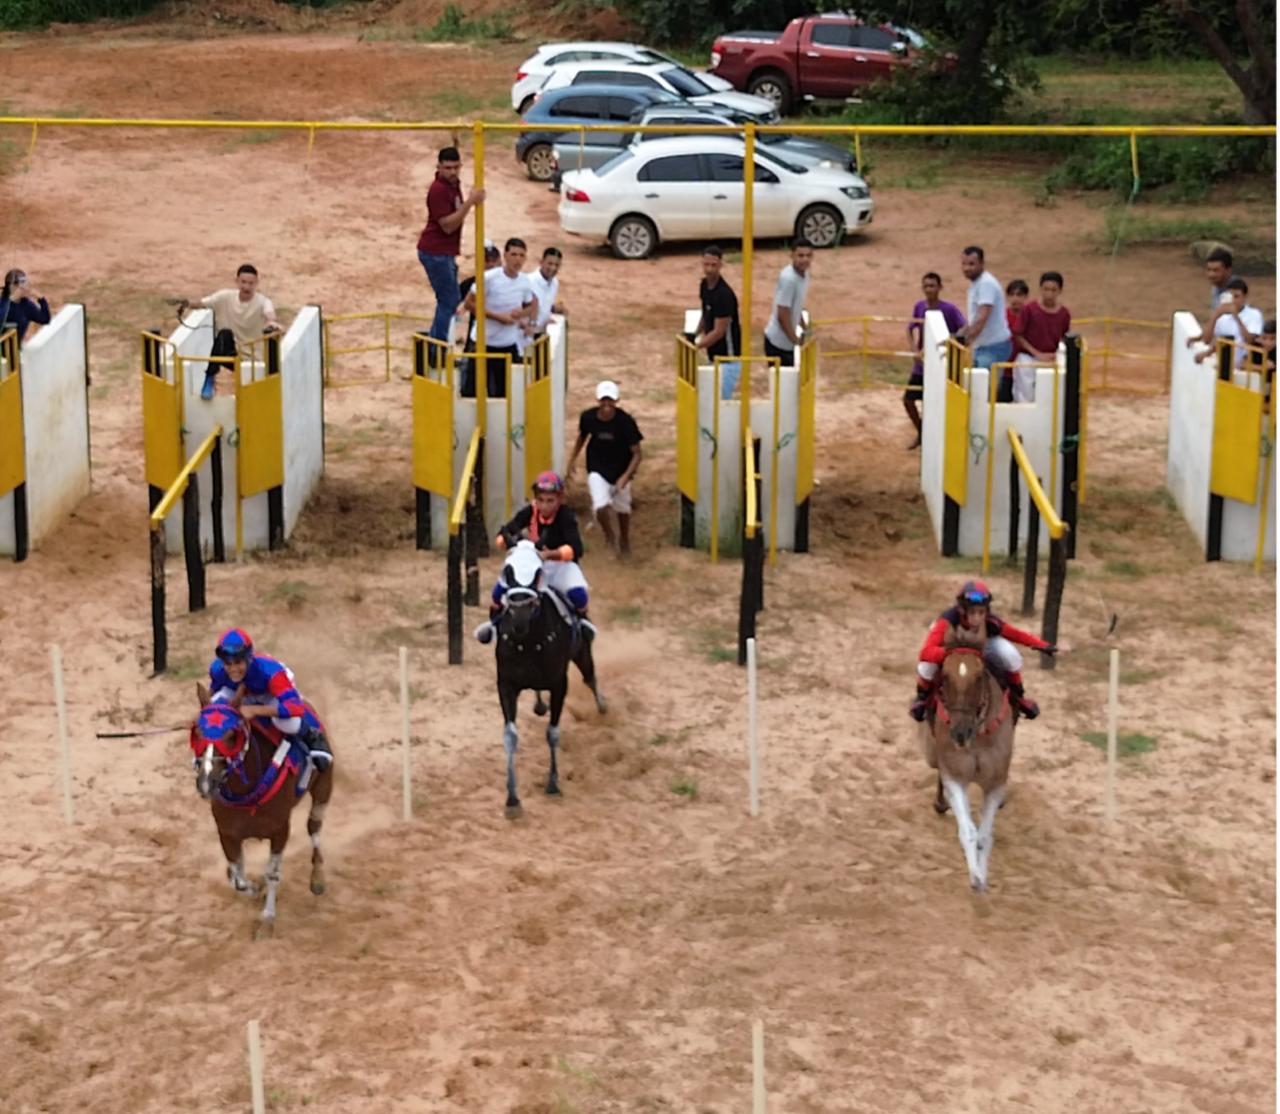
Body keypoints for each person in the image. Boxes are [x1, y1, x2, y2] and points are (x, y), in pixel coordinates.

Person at [909, 580, 1064, 723]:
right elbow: (925, 652)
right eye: (972, 613)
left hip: (982, 647)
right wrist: (947, 654)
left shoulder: (991, 622)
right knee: (926, 666)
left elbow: (1015, 634)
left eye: (981, 612)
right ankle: (922, 698)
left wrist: (1042, 645)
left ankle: (1019, 697)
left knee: (1011, 656)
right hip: (951, 648)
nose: (977, 618)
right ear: (962, 611)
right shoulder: (946, 621)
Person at [474, 471, 595, 644]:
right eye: (541, 500)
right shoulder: (529, 511)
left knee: (578, 594)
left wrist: (549, 554)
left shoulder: (566, 516)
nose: (545, 506)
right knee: (499, 592)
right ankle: (494, 625)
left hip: (560, 566)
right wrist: (506, 542)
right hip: (532, 565)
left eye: (550, 501)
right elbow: (507, 531)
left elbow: (576, 549)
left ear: (560, 499)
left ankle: (582, 622)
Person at [207, 628, 333, 771]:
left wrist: (255, 710)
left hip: (270, 693)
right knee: (216, 705)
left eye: (238, 662)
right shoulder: (217, 669)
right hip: (244, 691)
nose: (233, 668)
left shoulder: (271, 672)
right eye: (228, 664)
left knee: (287, 724)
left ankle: (311, 735)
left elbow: (295, 708)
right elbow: (214, 690)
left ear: (248, 659)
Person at [418, 146, 486, 361]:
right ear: (439, 168)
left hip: (445, 252)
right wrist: (470, 203)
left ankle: (436, 343)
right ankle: (435, 348)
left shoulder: (452, 183)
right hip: (435, 251)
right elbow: (447, 225)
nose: (453, 172)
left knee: (449, 298)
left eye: (456, 167)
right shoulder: (437, 190)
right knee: (449, 300)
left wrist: (456, 141)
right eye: (448, 168)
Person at [178, 264, 281, 401]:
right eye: (243, 282)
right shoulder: (225, 297)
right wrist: (186, 304)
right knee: (224, 334)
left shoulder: (263, 302)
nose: (246, 287)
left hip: (253, 358)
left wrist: (272, 322)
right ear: (237, 281)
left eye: (250, 283)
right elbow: (202, 304)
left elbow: (269, 313)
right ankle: (209, 379)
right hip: (233, 355)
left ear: (256, 283)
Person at [566, 380, 644, 557]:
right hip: (597, 468)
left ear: (616, 401)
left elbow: (637, 453)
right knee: (600, 506)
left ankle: (624, 539)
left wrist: (625, 476)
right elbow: (582, 437)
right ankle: (609, 536)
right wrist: (572, 460)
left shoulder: (626, 422)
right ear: (598, 400)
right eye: (604, 401)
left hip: (621, 468)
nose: (607, 405)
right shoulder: (588, 417)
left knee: (623, 509)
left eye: (611, 401)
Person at [463, 237, 537, 399]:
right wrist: (498, 317)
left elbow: (531, 305)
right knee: (471, 391)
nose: (517, 260)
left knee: (504, 394)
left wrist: (522, 314)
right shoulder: (489, 278)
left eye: (521, 256)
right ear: (505, 256)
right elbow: (469, 303)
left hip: (507, 344)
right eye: (514, 254)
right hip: (483, 342)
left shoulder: (525, 281)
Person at [905, 272, 966, 449]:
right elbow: (910, 328)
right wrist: (915, 350)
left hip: (940, 364)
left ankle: (933, 437)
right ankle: (921, 431)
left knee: (933, 403)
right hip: (921, 365)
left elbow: (963, 329)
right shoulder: (919, 307)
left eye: (932, 286)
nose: (929, 290)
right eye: (926, 286)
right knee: (908, 400)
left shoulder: (949, 309)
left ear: (940, 288)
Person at [955, 246, 1013, 395]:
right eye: (964, 264)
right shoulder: (976, 284)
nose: (967, 268)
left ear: (982, 263)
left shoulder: (986, 284)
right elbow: (974, 319)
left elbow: (981, 319)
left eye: (971, 264)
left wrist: (964, 342)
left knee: (984, 393)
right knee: (976, 389)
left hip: (994, 347)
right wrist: (957, 336)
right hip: (982, 347)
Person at [1012, 271, 1072, 403]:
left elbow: (1064, 337)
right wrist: (1037, 353)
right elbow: (1018, 335)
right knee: (1025, 395)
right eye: (1046, 289)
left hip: (1051, 358)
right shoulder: (1030, 309)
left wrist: (1055, 354)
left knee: (1051, 395)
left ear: (1059, 291)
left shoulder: (1064, 314)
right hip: (1028, 358)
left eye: (1053, 290)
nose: (1049, 294)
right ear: (1041, 289)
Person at [694, 245, 742, 398]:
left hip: (728, 359)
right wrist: (694, 334)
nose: (709, 269)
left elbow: (719, 331)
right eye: (706, 264)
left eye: (713, 265)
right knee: (710, 400)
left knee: (721, 402)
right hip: (713, 357)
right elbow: (706, 314)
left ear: (721, 265)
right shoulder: (704, 286)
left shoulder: (724, 295)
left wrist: (697, 346)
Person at [455, 239, 501, 396]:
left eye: (494, 260)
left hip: (499, 343)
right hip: (474, 342)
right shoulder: (470, 284)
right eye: (487, 260)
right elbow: (454, 309)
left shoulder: (508, 284)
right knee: (469, 387)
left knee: (497, 389)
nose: (491, 265)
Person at [1190, 277, 1264, 368]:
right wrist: (1215, 316)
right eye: (1230, 296)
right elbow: (1208, 340)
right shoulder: (1223, 318)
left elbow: (1250, 340)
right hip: (1225, 366)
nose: (1233, 300)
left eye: (1236, 296)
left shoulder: (1254, 315)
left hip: (1244, 367)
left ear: (1244, 297)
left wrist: (1236, 317)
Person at [763, 238, 815, 369]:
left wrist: (803, 325)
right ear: (792, 255)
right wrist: (794, 339)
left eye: (808, 256)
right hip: (778, 343)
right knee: (782, 386)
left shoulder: (804, 275)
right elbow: (782, 313)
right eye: (800, 255)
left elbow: (795, 304)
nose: (805, 259)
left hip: (786, 343)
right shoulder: (789, 279)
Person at [521, 246, 566, 351]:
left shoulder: (555, 283)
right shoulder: (528, 281)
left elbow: (546, 305)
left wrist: (553, 309)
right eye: (550, 264)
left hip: (543, 335)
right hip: (526, 336)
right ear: (541, 262)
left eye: (557, 265)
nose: (553, 268)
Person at [0, 269, 52, 346]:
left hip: (14, 352)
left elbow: (45, 319)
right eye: (22, 284)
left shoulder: (26, 305)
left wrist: (41, 299)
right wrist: (12, 300)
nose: (26, 287)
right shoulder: (3, 303)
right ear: (12, 286)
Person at [1204, 247, 1234, 311]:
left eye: (1216, 270)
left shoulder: (1234, 293)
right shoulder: (1216, 287)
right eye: (1209, 270)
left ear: (1228, 271)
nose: (1211, 274)